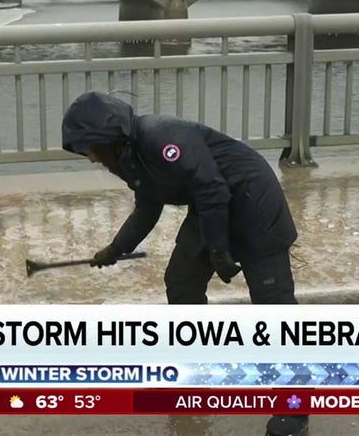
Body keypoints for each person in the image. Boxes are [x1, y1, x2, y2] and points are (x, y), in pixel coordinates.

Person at [61, 91, 309, 436]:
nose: (88, 157)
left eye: (88, 147)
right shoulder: (127, 158)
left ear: (106, 136)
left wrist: (219, 251)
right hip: (212, 208)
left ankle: (295, 404)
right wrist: (116, 247)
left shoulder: (161, 138)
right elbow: (148, 206)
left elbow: (211, 187)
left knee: (273, 305)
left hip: (252, 200)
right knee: (181, 281)